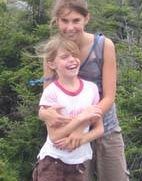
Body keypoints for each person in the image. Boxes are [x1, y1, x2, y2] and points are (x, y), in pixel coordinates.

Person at [39, 0, 130, 181]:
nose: (70, 27)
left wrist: (81, 127)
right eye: (64, 21)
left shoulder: (104, 46)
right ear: (57, 21)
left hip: (106, 128)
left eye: (76, 20)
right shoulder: (53, 53)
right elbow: (48, 98)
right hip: (68, 136)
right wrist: (46, 114)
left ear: (86, 18)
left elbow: (109, 96)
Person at [33, 35, 104, 181]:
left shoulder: (91, 89)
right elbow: (54, 136)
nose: (72, 59)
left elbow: (99, 129)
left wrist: (82, 139)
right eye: (65, 57)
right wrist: (80, 118)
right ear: (52, 64)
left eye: (74, 55)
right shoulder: (52, 92)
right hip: (52, 161)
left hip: (78, 163)